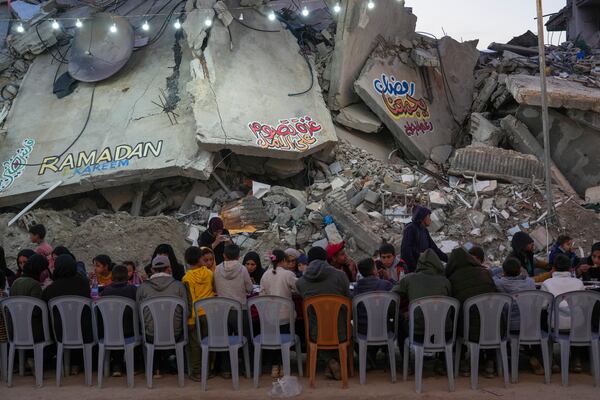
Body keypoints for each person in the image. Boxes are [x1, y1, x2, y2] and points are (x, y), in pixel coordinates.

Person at [295, 246, 351, 380]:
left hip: (316, 332)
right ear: (326, 258)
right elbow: (347, 296)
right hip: (341, 330)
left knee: (314, 324)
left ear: (309, 261)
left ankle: (330, 362)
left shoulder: (301, 282)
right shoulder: (340, 275)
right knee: (343, 322)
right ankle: (335, 361)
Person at [393, 250, 452, 375]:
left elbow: (391, 296)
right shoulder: (445, 281)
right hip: (443, 334)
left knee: (400, 324)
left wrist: (404, 313)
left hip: (417, 334)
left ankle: (406, 364)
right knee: (445, 320)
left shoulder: (409, 279)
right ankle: (441, 362)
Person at [446, 247, 497, 378]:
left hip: (467, 330)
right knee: (487, 316)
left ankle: (463, 361)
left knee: (455, 317)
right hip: (495, 327)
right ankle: (490, 361)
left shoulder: (452, 278)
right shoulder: (485, 273)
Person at [137, 255, 187, 377]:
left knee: (151, 327)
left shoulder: (143, 287)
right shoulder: (179, 286)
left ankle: (156, 368)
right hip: (175, 334)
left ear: (153, 270)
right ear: (169, 268)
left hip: (151, 335)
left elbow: (139, 313)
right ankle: (173, 362)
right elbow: (187, 312)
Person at [43, 254, 93, 376]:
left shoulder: (51, 289)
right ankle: (76, 364)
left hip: (59, 333)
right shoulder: (84, 283)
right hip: (84, 332)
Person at [494, 257, 541, 374]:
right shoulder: (530, 282)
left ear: (504, 272)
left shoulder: (499, 283)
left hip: (509, 327)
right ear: (520, 270)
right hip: (529, 325)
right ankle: (536, 357)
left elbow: (493, 277)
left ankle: (505, 360)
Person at [541, 253, 586, 372]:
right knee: (577, 318)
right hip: (577, 325)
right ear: (571, 269)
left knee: (542, 316)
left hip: (555, 325)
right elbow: (584, 304)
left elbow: (543, 306)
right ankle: (576, 359)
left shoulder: (547, 283)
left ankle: (552, 361)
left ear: (554, 269)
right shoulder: (578, 283)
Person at [259, 249, 298, 378]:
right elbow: (298, 287)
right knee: (284, 337)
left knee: (274, 339)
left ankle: (275, 366)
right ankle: (284, 364)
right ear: (282, 261)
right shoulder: (288, 274)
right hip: (286, 317)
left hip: (270, 317)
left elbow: (262, 295)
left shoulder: (265, 275)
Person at [181, 246, 216, 381]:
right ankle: (209, 370)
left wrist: (190, 320)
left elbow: (191, 299)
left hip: (196, 315)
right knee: (209, 342)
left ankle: (197, 372)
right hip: (210, 313)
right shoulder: (209, 273)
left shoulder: (187, 278)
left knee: (195, 345)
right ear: (200, 259)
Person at [9, 254, 46, 371]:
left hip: (16, 329)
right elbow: (37, 311)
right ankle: (33, 359)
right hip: (33, 332)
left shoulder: (16, 282)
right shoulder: (35, 285)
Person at [100, 264, 138, 377]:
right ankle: (134, 365)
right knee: (130, 326)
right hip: (130, 333)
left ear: (112, 277)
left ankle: (117, 366)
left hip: (110, 333)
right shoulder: (132, 289)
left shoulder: (106, 291)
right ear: (127, 277)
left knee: (116, 327)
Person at [400, 205, 448, 272]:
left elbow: (434, 248)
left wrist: (448, 259)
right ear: (422, 217)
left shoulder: (424, 230)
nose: (430, 219)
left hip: (423, 267)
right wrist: (414, 270)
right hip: (415, 270)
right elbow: (406, 252)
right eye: (428, 216)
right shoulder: (410, 229)